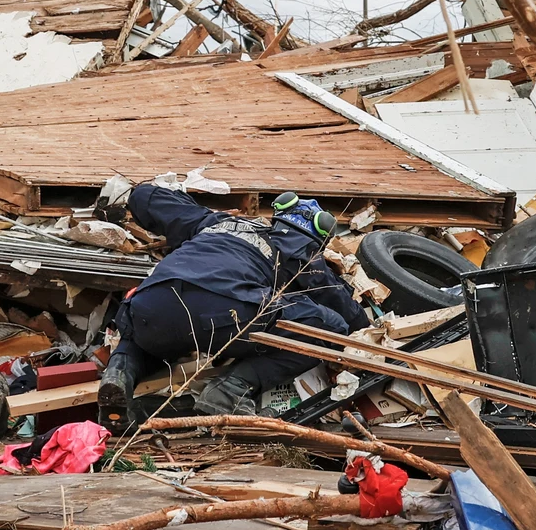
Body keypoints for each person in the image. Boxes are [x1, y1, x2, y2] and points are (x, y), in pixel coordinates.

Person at [94, 180, 370, 428]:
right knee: (328, 326)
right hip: (223, 312)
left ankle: (118, 375)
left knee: (148, 329)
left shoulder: (216, 222)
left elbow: (145, 196)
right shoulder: (301, 254)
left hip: (151, 302)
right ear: (316, 238)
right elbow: (348, 317)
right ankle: (230, 391)